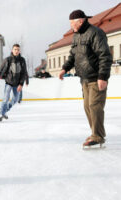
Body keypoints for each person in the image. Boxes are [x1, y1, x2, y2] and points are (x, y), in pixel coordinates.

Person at [59, 10, 112, 148]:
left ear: (80, 21)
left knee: (95, 106)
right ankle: (96, 132)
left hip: (96, 77)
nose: (71, 26)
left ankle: (98, 136)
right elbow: (73, 55)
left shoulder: (96, 33)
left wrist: (103, 76)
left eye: (72, 23)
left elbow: (104, 55)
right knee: (87, 107)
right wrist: (65, 68)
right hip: (84, 78)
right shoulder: (76, 36)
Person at [0, 44, 27, 122]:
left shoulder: (22, 60)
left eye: (18, 49)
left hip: (17, 84)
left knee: (15, 99)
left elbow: (23, 73)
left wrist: (21, 84)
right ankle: (2, 113)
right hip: (8, 83)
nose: (16, 51)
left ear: (19, 51)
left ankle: (3, 110)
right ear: (12, 50)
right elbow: (0, 71)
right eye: (15, 49)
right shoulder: (7, 60)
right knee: (6, 98)